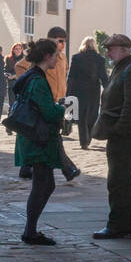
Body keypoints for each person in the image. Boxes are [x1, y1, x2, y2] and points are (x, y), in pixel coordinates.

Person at [9, 39, 67, 245]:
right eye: (55, 55)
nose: (57, 59)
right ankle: (30, 231)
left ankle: (30, 229)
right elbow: (49, 112)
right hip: (37, 139)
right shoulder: (38, 81)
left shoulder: (31, 76)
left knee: (45, 184)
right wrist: (62, 109)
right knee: (42, 184)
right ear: (46, 57)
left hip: (32, 136)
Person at [91, 32, 131, 239]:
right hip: (121, 133)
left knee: (117, 180)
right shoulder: (121, 68)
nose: (107, 53)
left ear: (123, 50)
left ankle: (117, 225)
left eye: (111, 49)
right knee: (125, 179)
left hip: (126, 135)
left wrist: (119, 129)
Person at [45, 27, 80, 184]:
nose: (63, 44)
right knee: (54, 137)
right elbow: (21, 66)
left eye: (64, 41)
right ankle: (68, 168)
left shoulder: (63, 58)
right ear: (51, 40)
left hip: (60, 102)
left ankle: (27, 167)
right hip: (46, 101)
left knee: (52, 136)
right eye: (60, 41)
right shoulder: (43, 54)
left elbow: (64, 74)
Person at [66, 36, 108, 149]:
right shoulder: (99, 59)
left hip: (78, 89)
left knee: (81, 116)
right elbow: (103, 77)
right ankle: (88, 137)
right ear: (94, 45)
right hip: (93, 90)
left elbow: (71, 77)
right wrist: (108, 90)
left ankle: (83, 141)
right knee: (92, 114)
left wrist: (68, 93)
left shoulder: (76, 58)